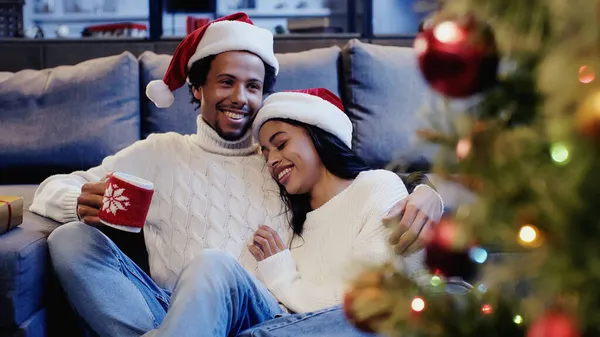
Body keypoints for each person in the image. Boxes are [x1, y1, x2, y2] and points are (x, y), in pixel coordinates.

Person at [29, 12, 443, 337]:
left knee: (217, 265)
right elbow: (51, 188)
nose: (241, 98)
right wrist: (75, 201)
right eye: (226, 82)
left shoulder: (279, 164)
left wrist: (428, 192)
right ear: (197, 88)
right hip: (167, 310)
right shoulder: (158, 153)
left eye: (253, 86)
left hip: (259, 312)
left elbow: (358, 191)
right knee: (70, 238)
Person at [142, 88, 425, 336]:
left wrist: (282, 277)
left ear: (319, 136)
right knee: (211, 263)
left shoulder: (376, 186)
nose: (273, 160)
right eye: (265, 153)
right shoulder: (293, 220)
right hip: (279, 325)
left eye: (281, 144)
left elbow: (359, 305)